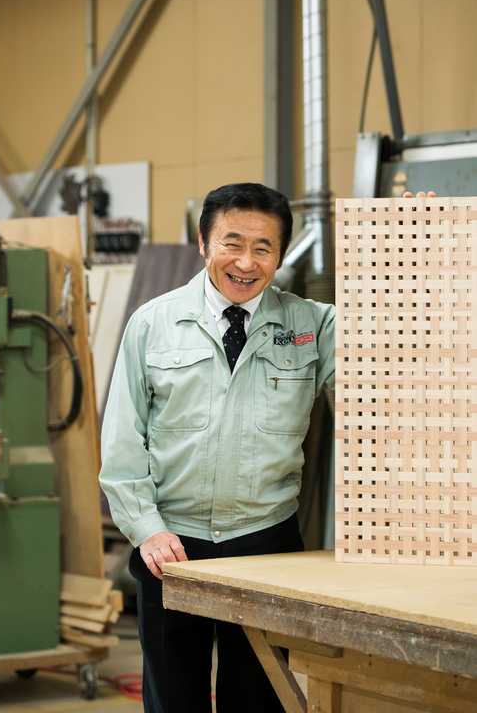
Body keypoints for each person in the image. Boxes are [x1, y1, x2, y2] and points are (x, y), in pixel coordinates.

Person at [100, 182, 335, 713]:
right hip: (170, 547)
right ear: (204, 244)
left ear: (280, 254)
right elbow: (121, 438)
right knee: (174, 696)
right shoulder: (153, 323)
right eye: (232, 243)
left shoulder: (313, 326)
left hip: (267, 544)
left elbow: (386, 361)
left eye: (263, 247)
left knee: (256, 698)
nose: (246, 262)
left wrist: (411, 249)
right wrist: (145, 528)